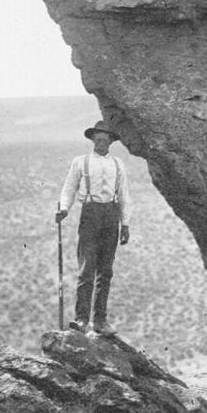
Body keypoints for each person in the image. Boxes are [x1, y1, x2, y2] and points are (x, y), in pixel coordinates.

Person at [55, 120, 132, 336]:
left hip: (111, 216)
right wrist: (64, 209)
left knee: (105, 272)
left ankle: (100, 321)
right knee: (86, 270)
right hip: (90, 214)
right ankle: (81, 319)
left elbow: (124, 194)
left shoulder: (118, 164)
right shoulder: (81, 162)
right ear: (92, 140)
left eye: (105, 140)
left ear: (110, 142)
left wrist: (125, 223)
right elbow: (69, 188)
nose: (101, 144)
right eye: (97, 140)